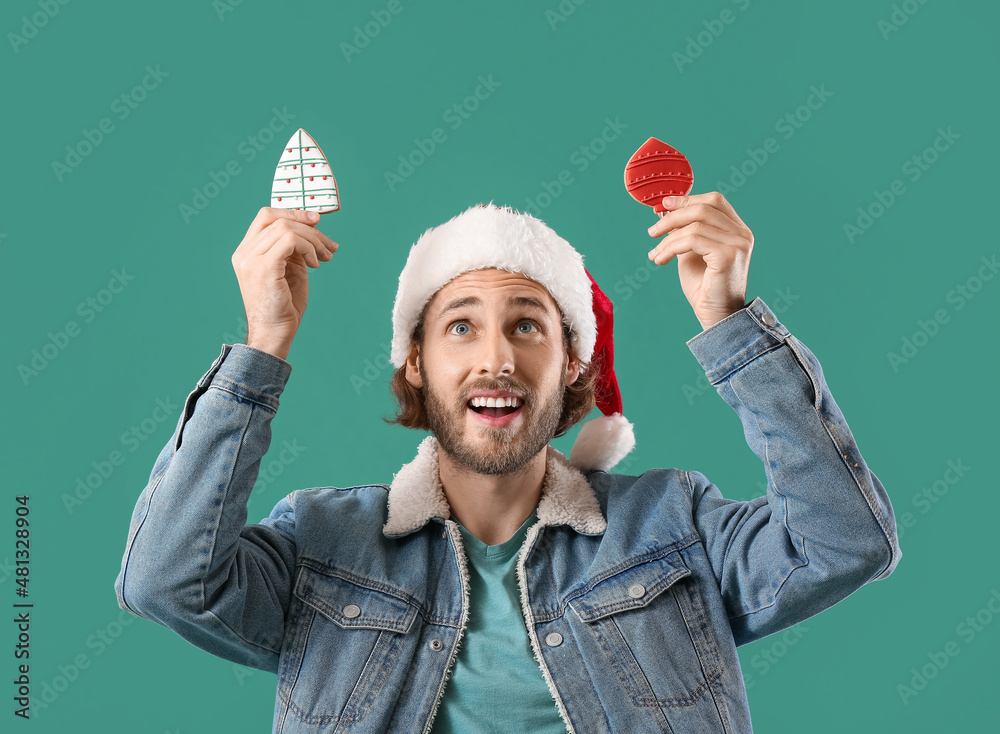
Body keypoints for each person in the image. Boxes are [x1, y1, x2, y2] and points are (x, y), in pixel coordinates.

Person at [115, 194, 901, 733]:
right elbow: (166, 580)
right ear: (416, 363)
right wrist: (263, 343)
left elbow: (844, 542)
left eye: (528, 327)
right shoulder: (321, 544)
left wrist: (729, 323)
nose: (495, 357)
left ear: (571, 368)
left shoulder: (676, 527)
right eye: (460, 327)